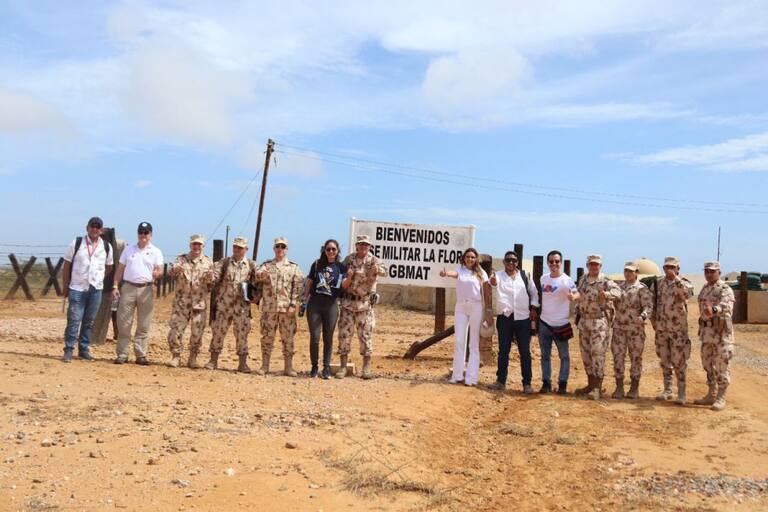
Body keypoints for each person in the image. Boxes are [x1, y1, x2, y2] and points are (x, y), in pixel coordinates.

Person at [61, 216, 113, 362]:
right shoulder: (77, 243)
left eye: (97, 227)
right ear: (87, 227)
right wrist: (65, 286)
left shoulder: (106, 246)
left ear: (101, 230)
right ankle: (69, 350)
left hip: (95, 289)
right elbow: (66, 265)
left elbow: (109, 267)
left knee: (89, 321)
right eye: (92, 226)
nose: (94, 229)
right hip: (77, 288)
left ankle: (83, 350)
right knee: (74, 320)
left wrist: (98, 278)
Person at [488, 250, 539, 393]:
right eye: (508, 260)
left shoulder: (525, 276)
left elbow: (534, 293)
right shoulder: (498, 275)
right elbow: (492, 283)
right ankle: (500, 381)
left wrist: (533, 308)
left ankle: (527, 384)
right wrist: (492, 282)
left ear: (517, 263)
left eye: (514, 260)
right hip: (505, 318)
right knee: (503, 350)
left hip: (523, 318)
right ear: (504, 262)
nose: (511, 262)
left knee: (525, 352)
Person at [112, 222, 163, 365]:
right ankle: (122, 354)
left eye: (146, 233)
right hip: (128, 288)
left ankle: (141, 355)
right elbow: (120, 269)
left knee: (143, 324)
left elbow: (160, 269)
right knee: (124, 323)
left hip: (146, 290)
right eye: (141, 232)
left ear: (151, 235)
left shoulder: (156, 251)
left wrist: (157, 273)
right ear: (137, 234)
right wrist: (115, 286)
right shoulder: (128, 250)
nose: (143, 235)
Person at [253, 237, 305, 376]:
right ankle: (265, 366)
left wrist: (293, 305)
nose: (280, 249)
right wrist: (261, 274)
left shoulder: (293, 267)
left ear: (286, 249)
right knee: (267, 337)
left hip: (286, 309)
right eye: (278, 246)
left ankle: (288, 367)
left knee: (288, 338)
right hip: (269, 309)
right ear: (274, 248)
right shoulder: (266, 265)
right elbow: (257, 276)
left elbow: (297, 288)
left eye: (283, 246)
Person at [440, 248, 491, 387]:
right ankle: (457, 375)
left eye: (473, 257)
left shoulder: (481, 273)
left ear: (476, 259)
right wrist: (446, 273)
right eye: (468, 257)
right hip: (461, 306)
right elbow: (454, 274)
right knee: (459, 340)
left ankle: (471, 377)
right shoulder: (460, 270)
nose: (470, 259)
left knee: (473, 342)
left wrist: (488, 310)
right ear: (464, 258)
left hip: (476, 307)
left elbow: (487, 291)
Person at [204, 236, 257, 372]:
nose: (237, 249)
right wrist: (210, 276)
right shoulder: (225, 262)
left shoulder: (251, 265)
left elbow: (257, 283)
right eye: (235, 247)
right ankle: (213, 361)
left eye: (240, 247)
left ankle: (242, 364)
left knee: (242, 335)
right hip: (224, 305)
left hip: (241, 307)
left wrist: (256, 296)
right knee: (218, 332)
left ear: (246, 249)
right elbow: (215, 277)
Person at [336, 234, 385, 379]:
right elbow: (340, 274)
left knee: (365, 336)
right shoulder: (349, 259)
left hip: (364, 305)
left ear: (369, 246)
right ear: (356, 245)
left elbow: (385, 271)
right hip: (348, 304)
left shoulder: (373, 260)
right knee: (344, 335)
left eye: (366, 244)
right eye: (361, 244)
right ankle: (343, 367)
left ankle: (366, 368)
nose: (363, 247)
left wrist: (377, 270)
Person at [574, 254, 621, 400]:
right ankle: (590, 384)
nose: (594, 267)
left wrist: (606, 294)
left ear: (600, 266)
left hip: (599, 323)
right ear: (587, 265)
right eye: (591, 264)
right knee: (586, 354)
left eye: (596, 264)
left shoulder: (605, 280)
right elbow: (578, 293)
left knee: (597, 354)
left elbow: (618, 292)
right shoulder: (583, 279)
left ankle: (597, 388)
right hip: (584, 322)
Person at [166, 234, 215, 369]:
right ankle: (176, 356)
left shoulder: (208, 262)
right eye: (194, 244)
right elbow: (170, 272)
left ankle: (193, 357)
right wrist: (175, 269)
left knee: (197, 332)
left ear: (203, 246)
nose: (196, 247)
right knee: (176, 330)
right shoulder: (181, 259)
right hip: (182, 303)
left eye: (199, 244)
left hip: (199, 303)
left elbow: (212, 284)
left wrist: (210, 278)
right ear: (190, 245)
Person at [651, 256, 694, 404]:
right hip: (662, 329)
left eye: (672, 267)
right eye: (667, 267)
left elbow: (687, 294)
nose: (669, 270)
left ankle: (681, 393)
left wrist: (676, 279)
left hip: (678, 330)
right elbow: (653, 303)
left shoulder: (684, 283)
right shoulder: (658, 283)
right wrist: (654, 321)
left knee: (679, 361)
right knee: (664, 359)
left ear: (678, 269)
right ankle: (667, 389)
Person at [302, 239, 347, 379]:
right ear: (324, 250)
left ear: (338, 251)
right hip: (315, 303)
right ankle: (314, 366)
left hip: (331, 304)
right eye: (328, 249)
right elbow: (309, 282)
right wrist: (304, 300)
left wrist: (350, 276)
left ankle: (326, 367)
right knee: (315, 337)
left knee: (328, 338)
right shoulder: (317, 264)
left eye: (334, 249)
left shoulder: (341, 267)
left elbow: (344, 285)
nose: (331, 251)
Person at [694, 261, 735, 411]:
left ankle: (720, 397)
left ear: (719, 272)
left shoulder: (725, 289)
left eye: (712, 271)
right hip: (707, 334)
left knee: (721, 365)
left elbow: (727, 305)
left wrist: (715, 309)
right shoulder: (705, 288)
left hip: (721, 334)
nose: (709, 274)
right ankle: (711, 394)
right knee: (707, 364)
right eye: (707, 271)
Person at [538, 250, 579, 394]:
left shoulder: (567, 280)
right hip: (544, 323)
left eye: (556, 261)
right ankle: (546, 383)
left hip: (561, 324)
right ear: (547, 263)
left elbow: (576, 292)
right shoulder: (543, 278)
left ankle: (562, 384)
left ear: (561, 263)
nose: (554, 264)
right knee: (545, 356)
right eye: (551, 261)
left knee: (564, 356)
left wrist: (573, 297)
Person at [612, 261, 653, 399]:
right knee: (618, 357)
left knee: (635, 358)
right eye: (626, 270)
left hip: (635, 330)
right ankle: (619, 387)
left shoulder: (641, 288)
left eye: (631, 271)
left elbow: (648, 306)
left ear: (636, 273)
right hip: (619, 329)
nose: (628, 273)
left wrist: (643, 317)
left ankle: (634, 388)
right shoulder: (619, 287)